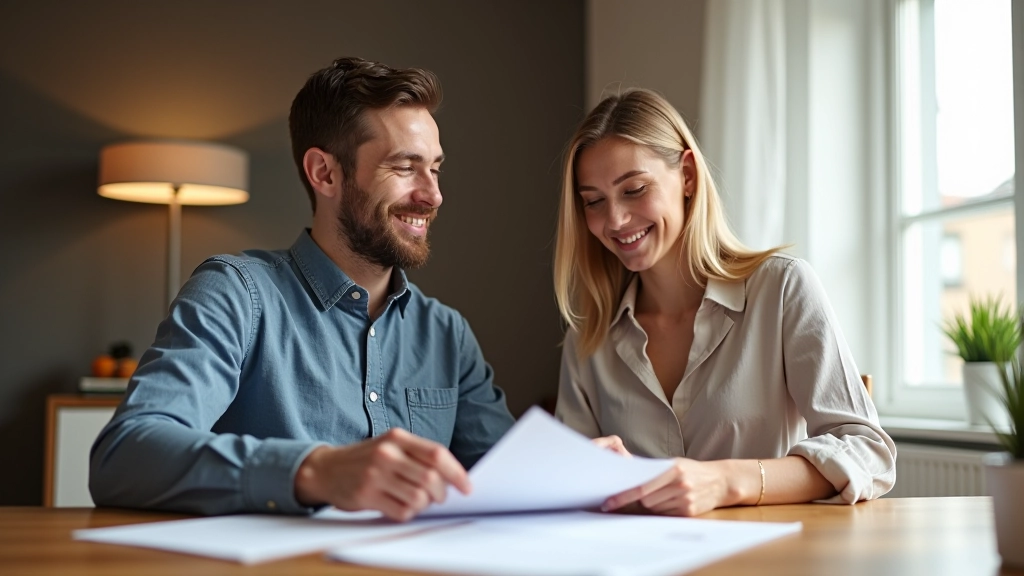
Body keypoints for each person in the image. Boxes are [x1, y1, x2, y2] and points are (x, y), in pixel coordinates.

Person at [90, 57, 516, 521]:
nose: (432, 195)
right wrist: (315, 471)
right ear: (325, 173)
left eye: (434, 168)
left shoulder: (447, 334)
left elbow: (508, 483)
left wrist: (584, 476)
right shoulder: (236, 294)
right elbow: (123, 456)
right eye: (404, 167)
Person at [553, 88, 896, 517]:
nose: (615, 220)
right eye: (594, 202)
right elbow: (566, 491)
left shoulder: (782, 289)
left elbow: (868, 452)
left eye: (635, 189)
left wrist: (725, 481)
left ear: (688, 176)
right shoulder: (588, 340)